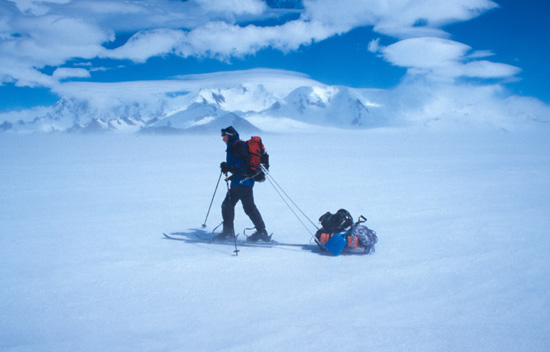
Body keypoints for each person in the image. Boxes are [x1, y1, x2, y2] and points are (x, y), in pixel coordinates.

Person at [213, 126, 271, 242]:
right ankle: (262, 232)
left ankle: (228, 233)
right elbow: (241, 164)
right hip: (246, 182)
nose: (223, 139)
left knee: (227, 205)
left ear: (229, 136)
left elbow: (244, 162)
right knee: (249, 208)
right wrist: (228, 168)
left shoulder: (237, 145)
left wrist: (229, 167)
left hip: (240, 182)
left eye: (224, 136)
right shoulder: (235, 146)